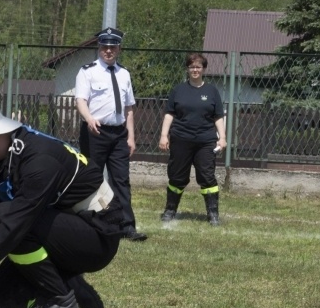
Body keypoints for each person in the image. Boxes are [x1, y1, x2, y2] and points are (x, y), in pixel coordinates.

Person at [0, 97, 122, 308]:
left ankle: (61, 300)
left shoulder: (39, 159)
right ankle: (77, 293)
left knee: (9, 218)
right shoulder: (1, 165)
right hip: (60, 230)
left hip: (97, 237)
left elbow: (16, 223)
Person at [75, 27, 147, 242]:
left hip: (118, 134)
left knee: (121, 180)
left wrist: (131, 137)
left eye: (112, 47)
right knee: (92, 178)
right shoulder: (87, 71)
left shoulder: (124, 74)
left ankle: (126, 226)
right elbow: (80, 101)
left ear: (119, 48)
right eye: (105, 47)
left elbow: (130, 109)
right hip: (95, 132)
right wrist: (89, 118)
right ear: (99, 48)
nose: (108, 51)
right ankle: (90, 222)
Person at [158, 52, 227, 226]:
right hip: (181, 139)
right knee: (177, 176)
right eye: (191, 66)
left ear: (203, 69)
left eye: (198, 67)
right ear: (187, 69)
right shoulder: (178, 90)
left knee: (207, 177)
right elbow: (169, 114)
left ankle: (213, 214)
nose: (195, 70)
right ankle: (170, 210)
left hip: (205, 141)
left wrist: (223, 137)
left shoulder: (211, 91)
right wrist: (164, 135)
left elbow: (218, 116)